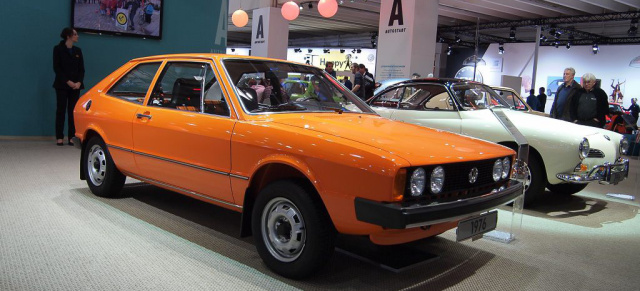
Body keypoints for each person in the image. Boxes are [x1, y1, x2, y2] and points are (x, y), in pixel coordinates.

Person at [53, 27, 85, 146]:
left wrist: (79, 82)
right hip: (62, 85)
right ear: (68, 36)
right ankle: (59, 137)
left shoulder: (78, 51)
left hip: (75, 86)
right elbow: (57, 68)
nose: (77, 36)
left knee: (73, 111)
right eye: (75, 34)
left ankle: (72, 136)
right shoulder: (58, 49)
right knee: (61, 110)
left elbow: (81, 69)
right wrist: (68, 81)